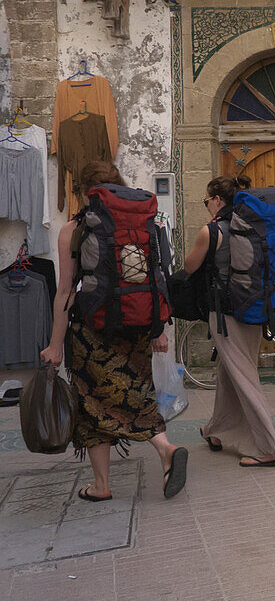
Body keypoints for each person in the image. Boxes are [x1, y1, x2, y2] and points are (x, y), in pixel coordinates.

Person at [40, 161, 188, 502]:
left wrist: (55, 345)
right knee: (136, 394)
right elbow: (153, 277)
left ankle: (105, 484)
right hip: (136, 327)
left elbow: (65, 292)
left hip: (91, 332)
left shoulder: (74, 230)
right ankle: (163, 448)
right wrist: (157, 332)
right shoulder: (142, 224)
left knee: (91, 405)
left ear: (83, 192)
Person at [181, 175, 275, 468]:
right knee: (231, 371)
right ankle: (217, 429)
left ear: (217, 200)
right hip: (253, 309)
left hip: (224, 313)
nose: (206, 206)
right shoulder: (252, 227)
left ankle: (267, 447)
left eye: (207, 201)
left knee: (243, 376)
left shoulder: (211, 231)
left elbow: (189, 267)